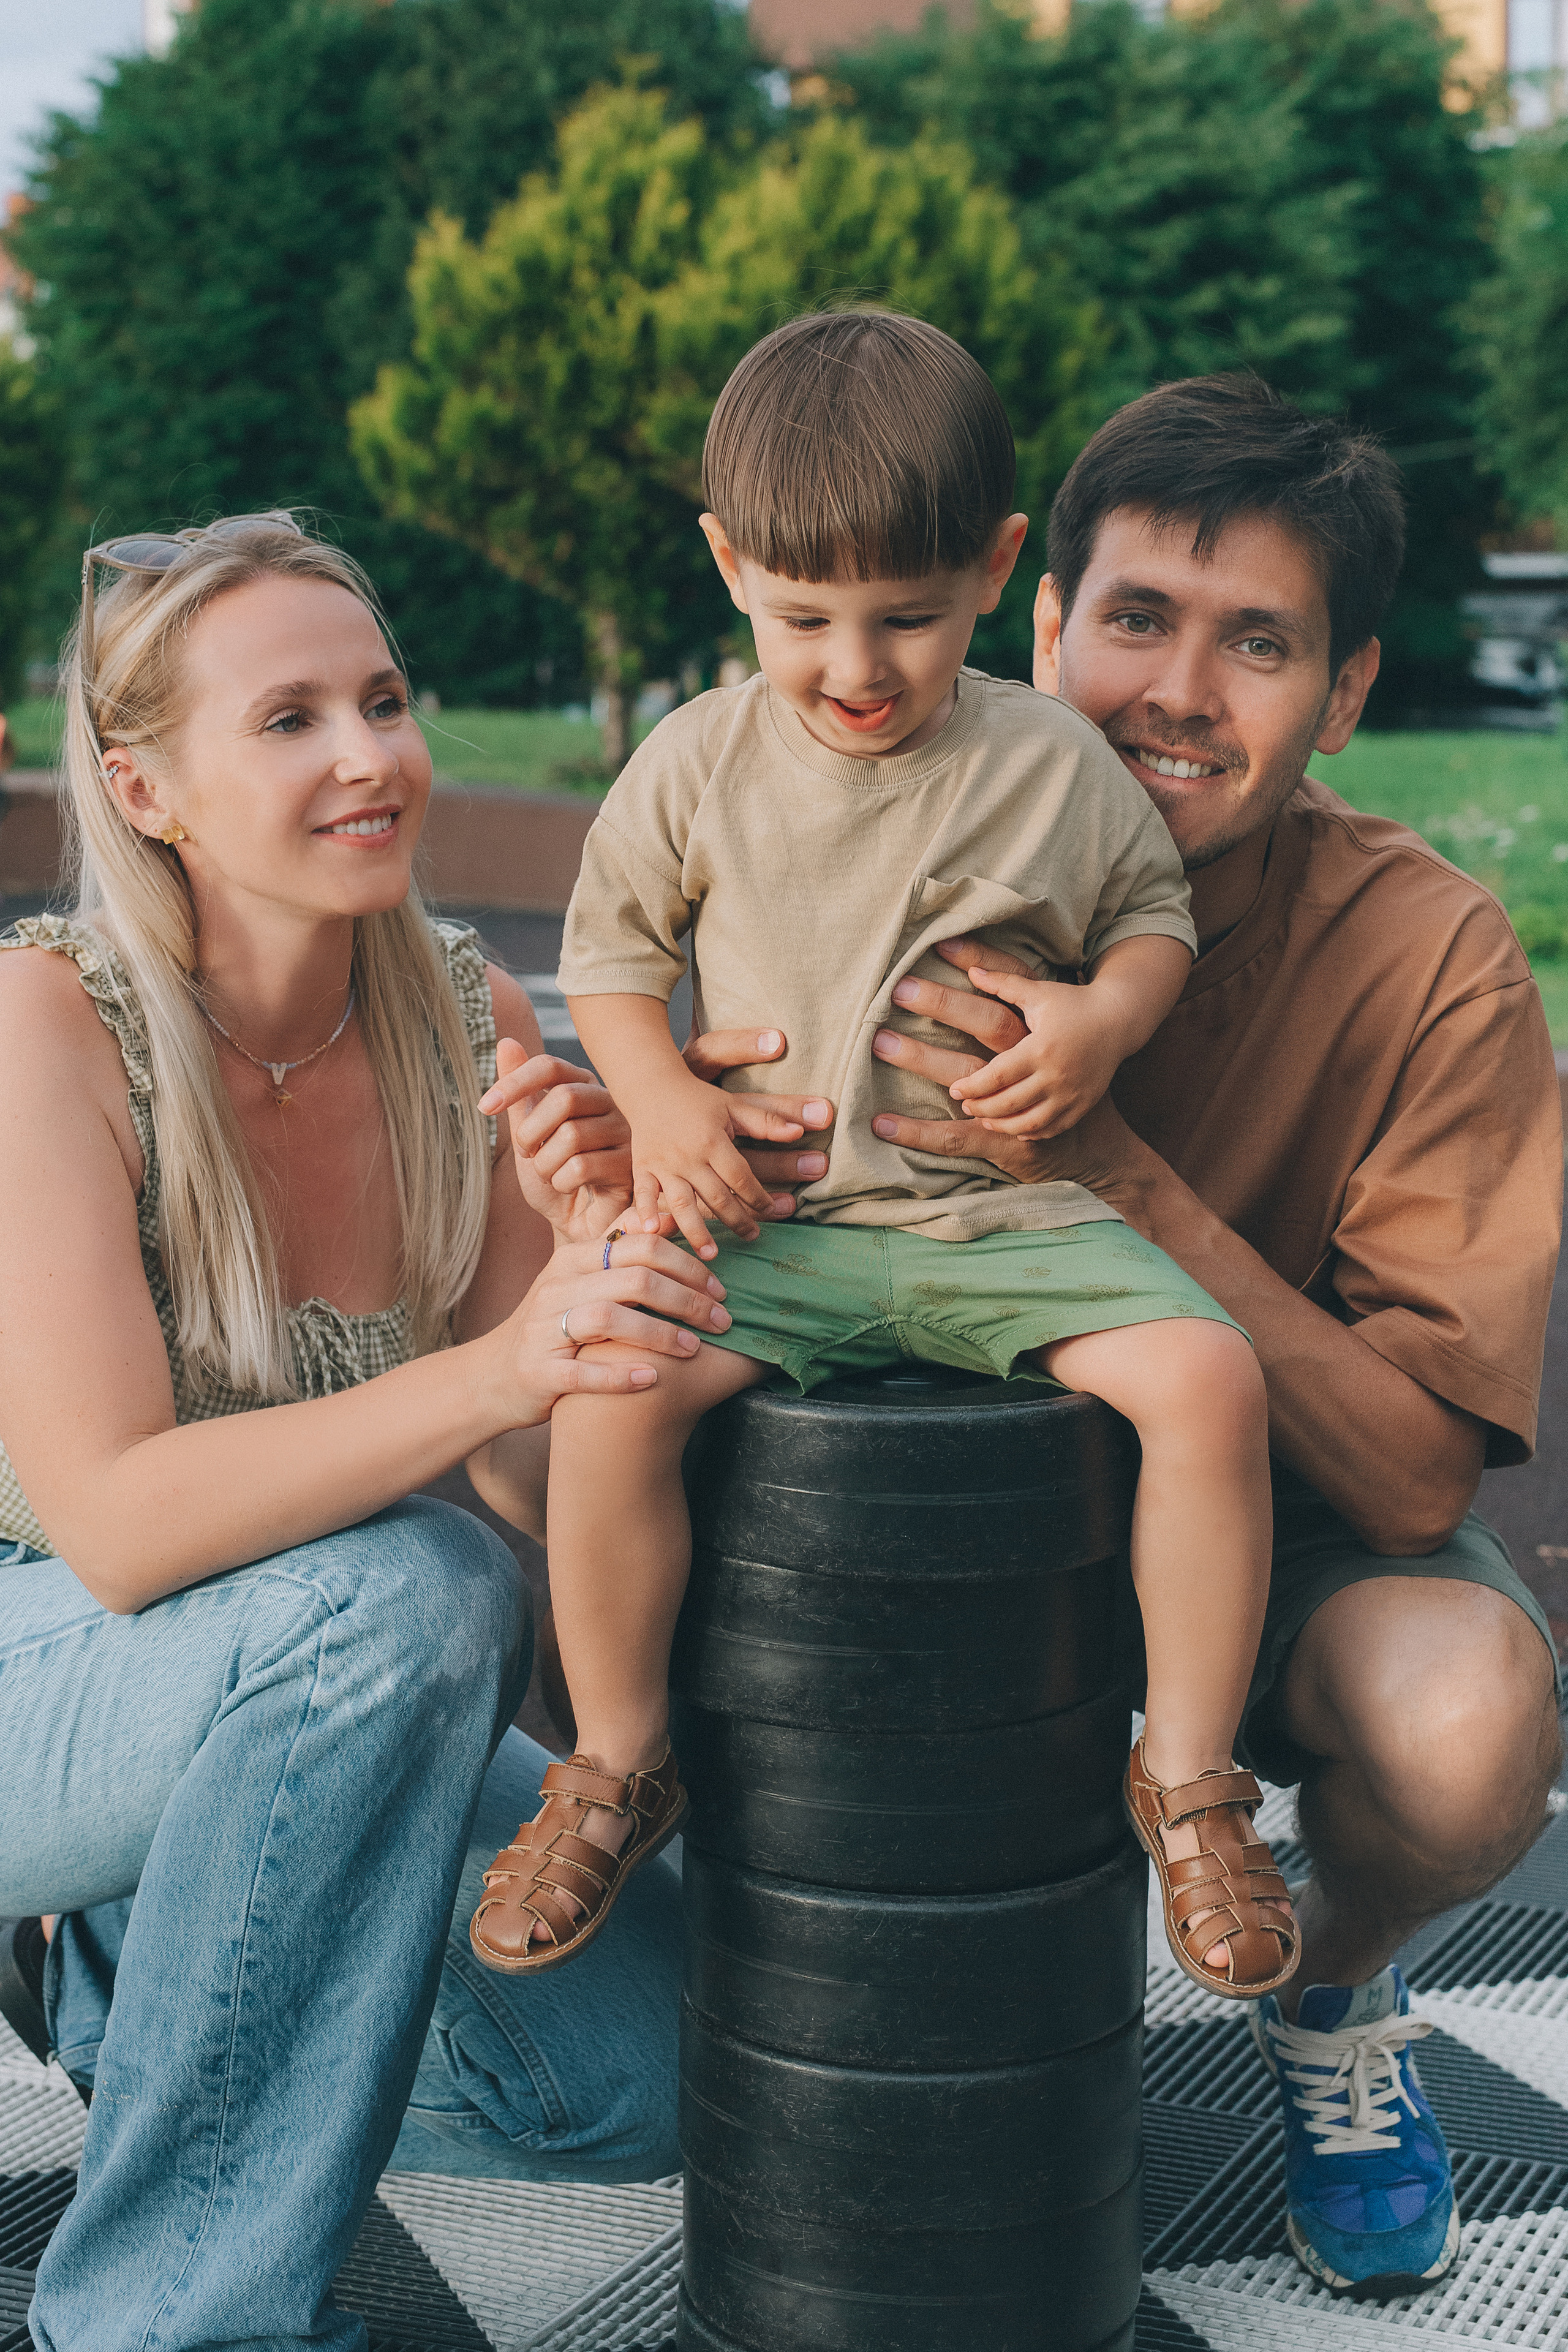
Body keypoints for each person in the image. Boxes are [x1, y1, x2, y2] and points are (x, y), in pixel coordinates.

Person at [690, 372, 1561, 2301]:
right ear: (1042, 620)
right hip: (883, 1494)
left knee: (1472, 1731)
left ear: (1341, 700)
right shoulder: (796, 816)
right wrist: (633, 1128)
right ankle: (733, 1927)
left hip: (1277, 1524)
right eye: (1141, 619)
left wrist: (1122, 1170)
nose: (1183, 689)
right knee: (535, 1433)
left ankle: (1327, 1997)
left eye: (1260, 644)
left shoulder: (1432, 961)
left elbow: (1420, 1476)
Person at [468, 312, 1300, 2008]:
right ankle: (618, 1761)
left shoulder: (1051, 763)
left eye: (908, 618)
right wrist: (675, 1111)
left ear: (998, 571)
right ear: (727, 569)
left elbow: (1151, 924)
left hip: (1005, 1221)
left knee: (1209, 1382)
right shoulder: (698, 762)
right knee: (613, 1399)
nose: (857, 664)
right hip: (782, 1222)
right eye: (804, 617)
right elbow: (617, 963)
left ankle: (1195, 1779)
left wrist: (1103, 1026)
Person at [0, 511, 746, 2352]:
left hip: (287, 1700)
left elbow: (526, 1490)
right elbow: (113, 1523)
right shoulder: (44, 1026)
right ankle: (176, 2317)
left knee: (656, 2073)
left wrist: (592, 1292)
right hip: (39, 1674)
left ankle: (129, 1962)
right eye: (291, 720)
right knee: (409, 1590)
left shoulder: (462, 1023)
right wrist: (504, 1369)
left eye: (386, 700)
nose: (369, 756)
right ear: (146, 787)